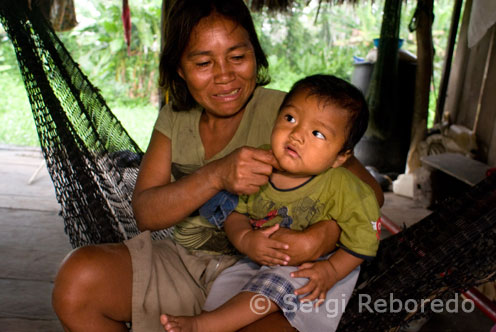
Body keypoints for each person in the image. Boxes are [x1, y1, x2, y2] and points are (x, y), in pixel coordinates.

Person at [51, 1, 384, 331]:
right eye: (203, 62)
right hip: (184, 264)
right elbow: (146, 213)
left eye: (238, 57)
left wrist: (322, 236)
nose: (225, 76)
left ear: (255, 54)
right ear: (180, 69)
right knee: (76, 283)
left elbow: (368, 197)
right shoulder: (174, 119)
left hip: (265, 277)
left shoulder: (291, 116)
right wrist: (216, 175)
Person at [160, 74, 380, 332]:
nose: (297, 134)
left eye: (317, 133)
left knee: (276, 285)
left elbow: (365, 239)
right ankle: (212, 318)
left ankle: (202, 325)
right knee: (228, 292)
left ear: (341, 156)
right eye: (290, 118)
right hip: (256, 261)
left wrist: (330, 270)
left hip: (314, 271)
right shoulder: (257, 163)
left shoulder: (345, 187)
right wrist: (245, 239)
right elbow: (235, 211)